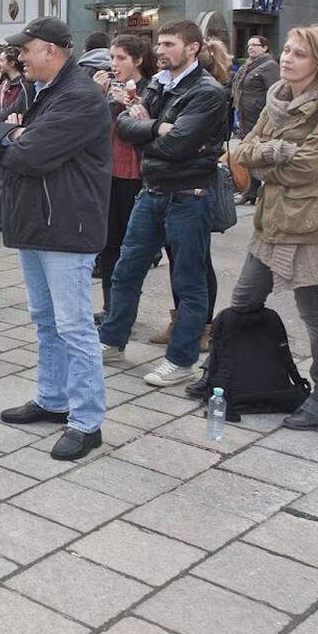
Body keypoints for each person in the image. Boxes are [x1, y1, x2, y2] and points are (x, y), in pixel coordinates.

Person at [0, 16, 112, 461]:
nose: (20, 56)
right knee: (44, 318)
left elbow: (33, 155)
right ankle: (53, 398)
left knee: (74, 325)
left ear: (52, 51)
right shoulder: (35, 89)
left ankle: (87, 421)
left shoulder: (79, 96)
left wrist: (16, 136)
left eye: (27, 48)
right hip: (35, 222)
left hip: (67, 227)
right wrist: (11, 132)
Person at [99, 20, 230, 389]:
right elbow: (125, 126)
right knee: (126, 270)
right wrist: (157, 129)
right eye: (160, 43)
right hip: (153, 190)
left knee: (188, 280)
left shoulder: (208, 92)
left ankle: (182, 359)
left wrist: (147, 130)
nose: (161, 50)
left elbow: (180, 145)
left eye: (170, 44)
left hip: (189, 196)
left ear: (193, 48)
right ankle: (112, 340)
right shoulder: (159, 82)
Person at [229, 26, 318, 430]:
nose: (289, 59)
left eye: (300, 54)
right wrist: (275, 151)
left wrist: (266, 160)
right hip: (270, 217)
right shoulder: (277, 95)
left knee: (314, 311)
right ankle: (242, 374)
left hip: (311, 221)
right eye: (288, 51)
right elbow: (240, 150)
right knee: (243, 299)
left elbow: (307, 165)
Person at [90, 35, 157, 322]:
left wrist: (132, 104)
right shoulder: (109, 89)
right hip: (108, 172)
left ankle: (123, 310)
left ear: (138, 60)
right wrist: (98, 95)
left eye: (121, 58)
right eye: (112, 58)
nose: (114, 64)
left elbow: (152, 127)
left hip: (137, 175)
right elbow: (93, 125)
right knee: (108, 244)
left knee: (132, 248)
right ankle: (110, 307)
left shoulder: (151, 89)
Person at [232, 35, 281, 205]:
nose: (251, 48)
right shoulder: (248, 66)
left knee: (258, 153)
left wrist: (269, 118)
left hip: (260, 117)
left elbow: (275, 93)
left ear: (265, 48)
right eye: (249, 45)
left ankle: (261, 190)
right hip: (246, 116)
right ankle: (252, 190)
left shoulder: (269, 66)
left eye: (255, 45)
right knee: (250, 152)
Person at [0, 46, 26, 232]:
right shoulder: (5, 83)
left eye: (1, 60)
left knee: (10, 180)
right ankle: (3, 220)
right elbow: (1, 109)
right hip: (2, 133)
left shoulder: (24, 85)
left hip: (13, 134)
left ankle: (8, 219)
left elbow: (18, 109)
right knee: (2, 181)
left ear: (11, 62)